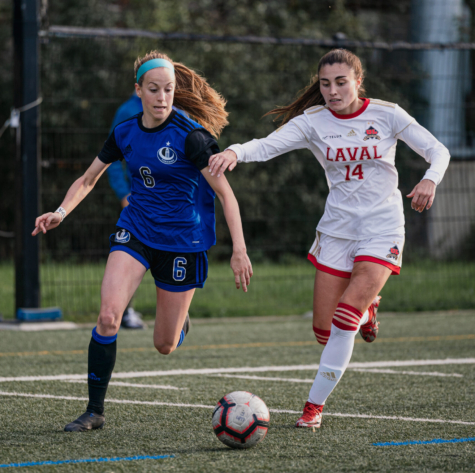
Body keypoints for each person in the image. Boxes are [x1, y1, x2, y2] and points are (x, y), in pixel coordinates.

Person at [208, 49, 450, 429]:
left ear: (358, 81)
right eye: (325, 84)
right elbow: (268, 145)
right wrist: (235, 152)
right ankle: (369, 311)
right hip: (337, 231)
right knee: (324, 331)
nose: (333, 91)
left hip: (382, 228)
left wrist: (429, 179)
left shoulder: (387, 113)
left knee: (344, 316)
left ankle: (312, 408)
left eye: (341, 82)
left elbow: (438, 150)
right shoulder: (314, 121)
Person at [32, 51, 253, 432]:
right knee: (108, 315)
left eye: (169, 89)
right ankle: (94, 411)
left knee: (164, 345)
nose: (162, 97)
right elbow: (88, 178)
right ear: (139, 91)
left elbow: (226, 195)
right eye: (154, 89)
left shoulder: (192, 137)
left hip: (183, 241)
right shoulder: (125, 132)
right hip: (136, 229)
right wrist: (61, 212)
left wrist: (239, 250)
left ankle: (180, 323)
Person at [106, 91, 145, 329]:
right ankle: (124, 310)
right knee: (129, 257)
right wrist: (123, 193)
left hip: (171, 209)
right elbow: (110, 158)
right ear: (139, 86)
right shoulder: (127, 111)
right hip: (137, 206)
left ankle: (176, 311)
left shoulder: (176, 111)